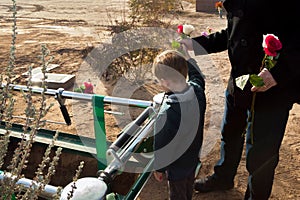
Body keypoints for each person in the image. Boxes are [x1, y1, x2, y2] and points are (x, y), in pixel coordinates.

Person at [180, 0, 300, 199]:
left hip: (273, 90)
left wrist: (278, 73)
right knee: (230, 131)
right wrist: (199, 45)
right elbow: (234, 34)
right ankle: (224, 177)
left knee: (262, 153)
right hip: (240, 81)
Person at [152, 48, 206, 200]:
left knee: (177, 194)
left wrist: (159, 168)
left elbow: (162, 143)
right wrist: (189, 58)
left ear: (166, 82)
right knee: (188, 187)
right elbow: (197, 77)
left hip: (177, 167)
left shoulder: (168, 112)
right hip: (193, 156)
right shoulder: (198, 91)